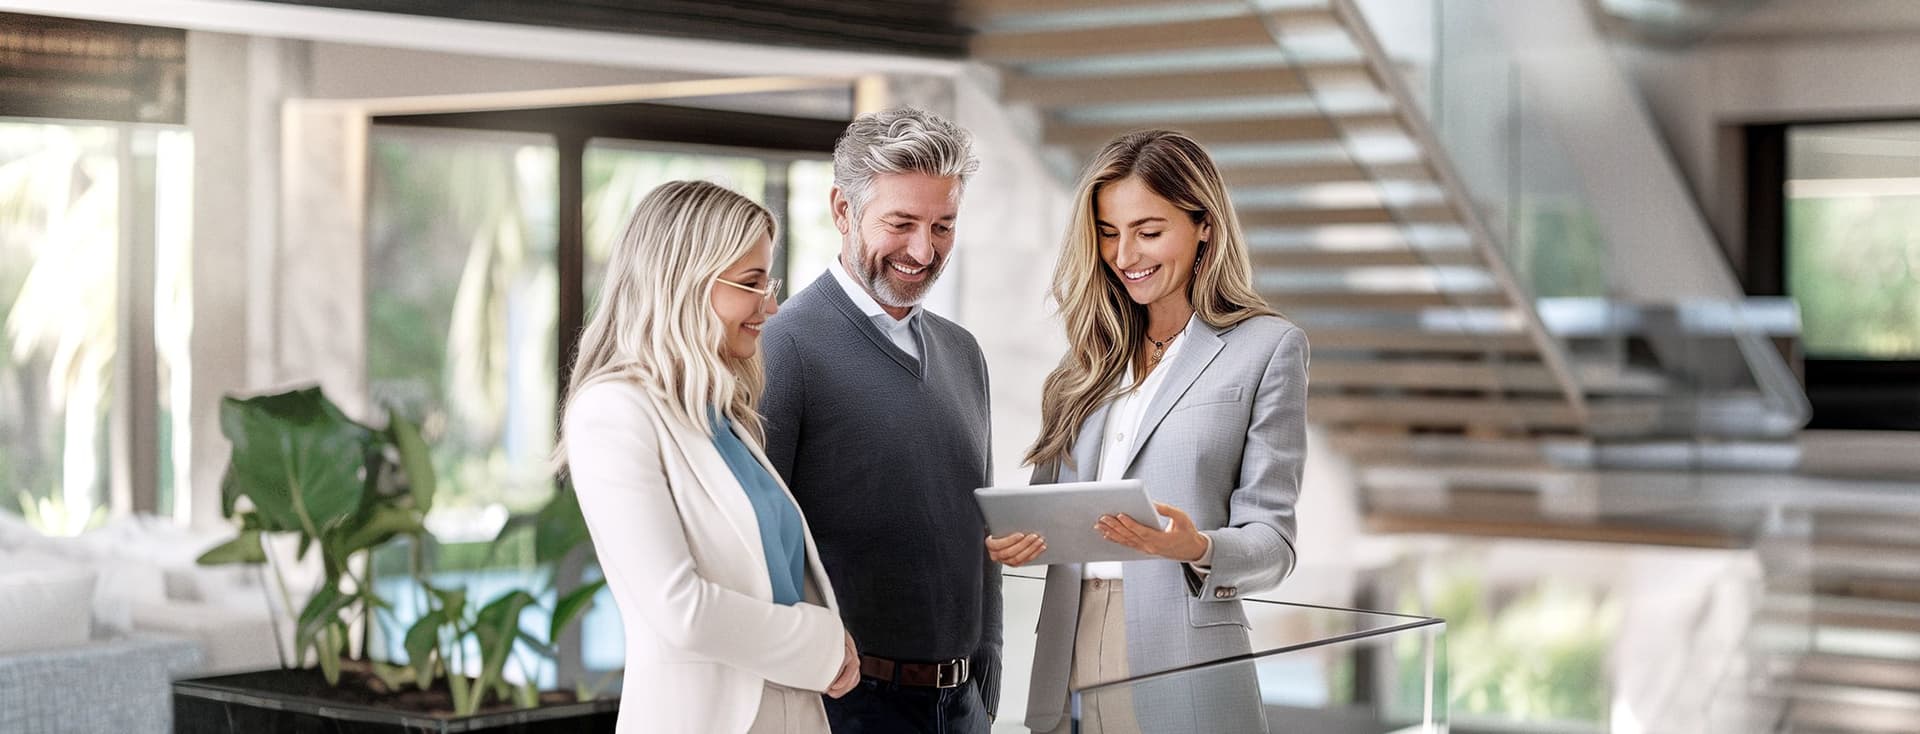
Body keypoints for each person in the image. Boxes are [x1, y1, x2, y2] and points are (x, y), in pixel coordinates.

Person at [989, 130, 1309, 733]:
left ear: (1204, 224)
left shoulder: (1266, 349)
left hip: (1183, 653)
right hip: (1069, 647)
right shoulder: (1083, 364)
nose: (1125, 255)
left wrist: (1196, 547)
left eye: (1149, 231)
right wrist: (1019, 540)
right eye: (1109, 233)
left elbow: (1274, 544)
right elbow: (1050, 510)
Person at [557, 180, 860, 734]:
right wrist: (821, 645)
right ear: (684, 283)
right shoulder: (613, 412)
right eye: (751, 283)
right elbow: (680, 608)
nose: (770, 306)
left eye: (769, 282)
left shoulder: (721, 414)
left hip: (793, 711)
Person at [759, 106, 1001, 733]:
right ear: (842, 210)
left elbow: (980, 526)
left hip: (962, 705)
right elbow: (757, 546)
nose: (924, 250)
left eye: (944, 225)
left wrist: (987, 673)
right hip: (848, 706)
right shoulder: (782, 349)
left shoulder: (963, 352)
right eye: (902, 223)